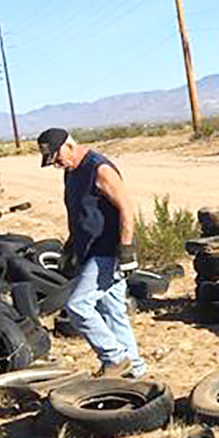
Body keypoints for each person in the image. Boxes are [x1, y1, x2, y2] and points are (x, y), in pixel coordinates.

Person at [37, 127, 145, 379]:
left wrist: (127, 249)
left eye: (57, 157)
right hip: (90, 251)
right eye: (52, 161)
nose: (57, 164)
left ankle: (115, 359)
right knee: (113, 311)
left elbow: (127, 208)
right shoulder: (71, 172)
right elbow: (80, 214)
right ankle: (135, 371)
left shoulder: (99, 169)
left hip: (107, 251)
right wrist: (71, 248)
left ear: (69, 145)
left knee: (78, 307)